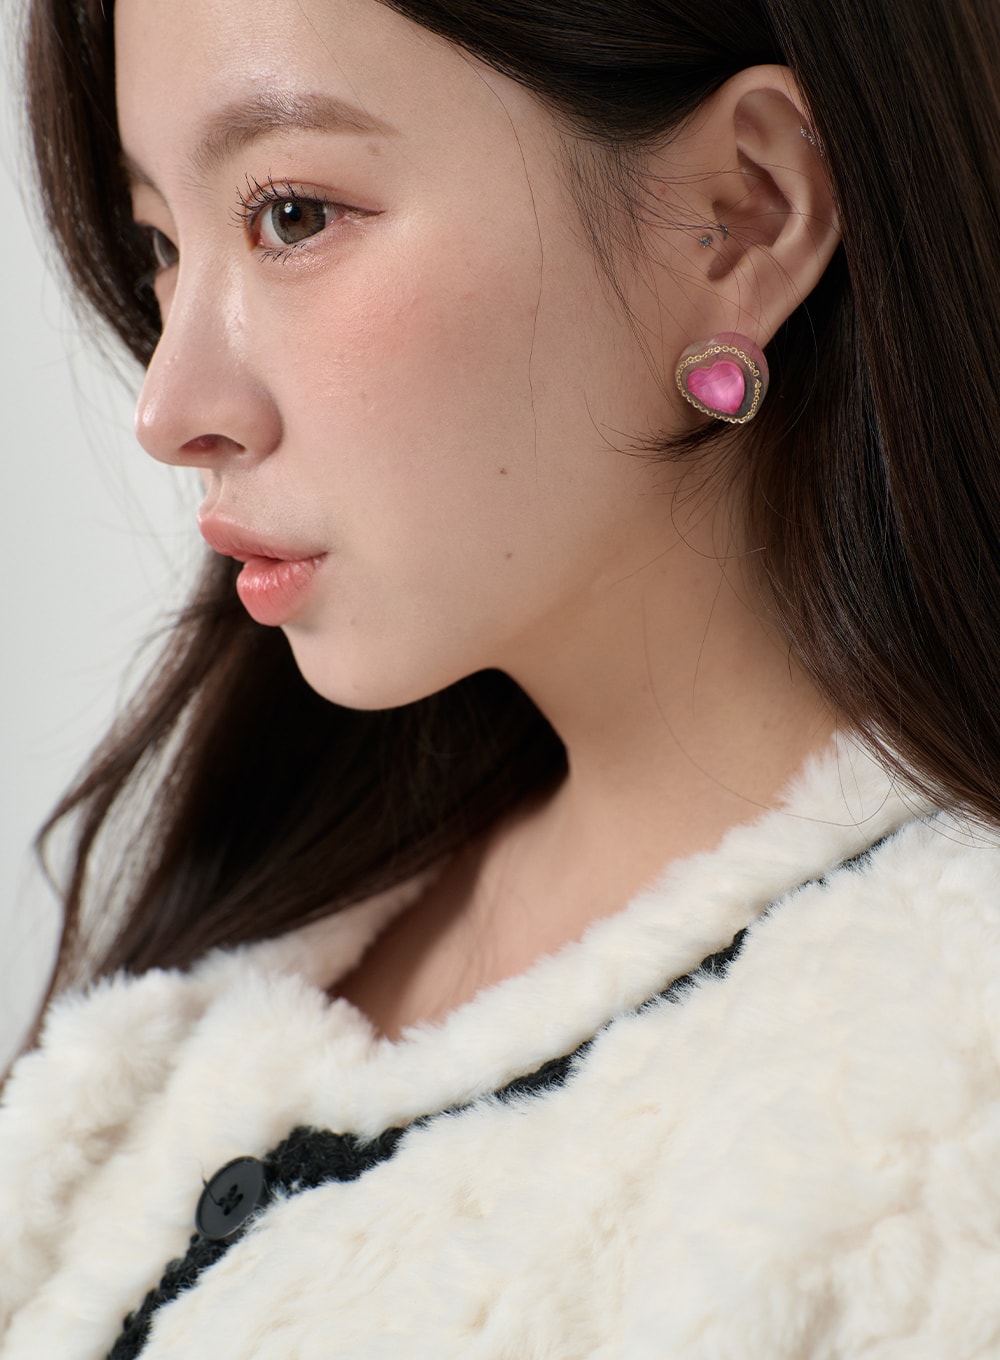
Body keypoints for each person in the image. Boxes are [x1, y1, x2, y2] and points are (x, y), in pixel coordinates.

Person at [3, 0, 1000, 1353]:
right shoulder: (262, 948)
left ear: (741, 218)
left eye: (293, 215)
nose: (172, 410)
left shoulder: (934, 1114)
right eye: (160, 245)